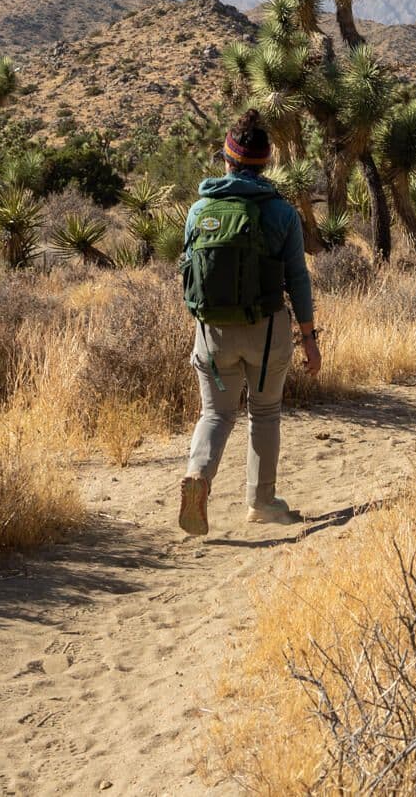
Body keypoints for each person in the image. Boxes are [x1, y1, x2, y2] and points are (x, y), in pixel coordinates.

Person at [177, 110, 321, 537]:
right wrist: (309, 338)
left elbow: (188, 270)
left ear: (226, 159)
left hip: (212, 333)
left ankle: (198, 476)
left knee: (215, 414)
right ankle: (261, 502)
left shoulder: (199, 210)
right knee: (265, 413)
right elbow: (298, 279)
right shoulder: (281, 213)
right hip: (266, 332)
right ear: (266, 163)